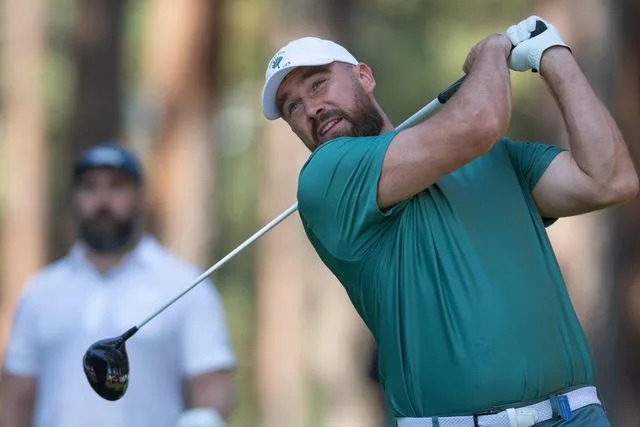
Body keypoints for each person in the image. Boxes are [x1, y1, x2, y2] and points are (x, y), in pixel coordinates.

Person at [260, 15, 638, 427]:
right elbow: (481, 122)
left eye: (318, 84)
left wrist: (553, 54)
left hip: (575, 416)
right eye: (292, 107)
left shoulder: (495, 158)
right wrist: (491, 53)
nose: (311, 108)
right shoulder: (325, 177)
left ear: (364, 77)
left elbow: (610, 180)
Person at [0, 144, 235, 427]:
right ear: (74, 199)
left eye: (117, 187)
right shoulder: (40, 292)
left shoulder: (185, 285)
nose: (103, 200)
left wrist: (204, 418)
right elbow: (15, 399)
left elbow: (212, 387)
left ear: (142, 199)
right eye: (89, 188)